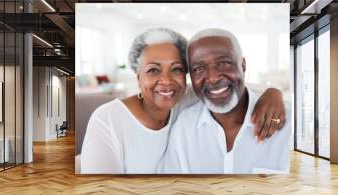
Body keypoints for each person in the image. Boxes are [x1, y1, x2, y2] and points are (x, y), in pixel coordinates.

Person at [80, 28, 286, 174]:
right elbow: (99, 193)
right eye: (153, 70)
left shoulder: (185, 98)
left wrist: (274, 92)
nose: (167, 81)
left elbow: (228, 86)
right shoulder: (108, 120)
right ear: (138, 78)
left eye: (177, 69)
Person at [159, 28, 291, 174]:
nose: (213, 77)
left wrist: (275, 91)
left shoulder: (287, 121)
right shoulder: (184, 128)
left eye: (224, 63)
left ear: (243, 65)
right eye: (198, 68)